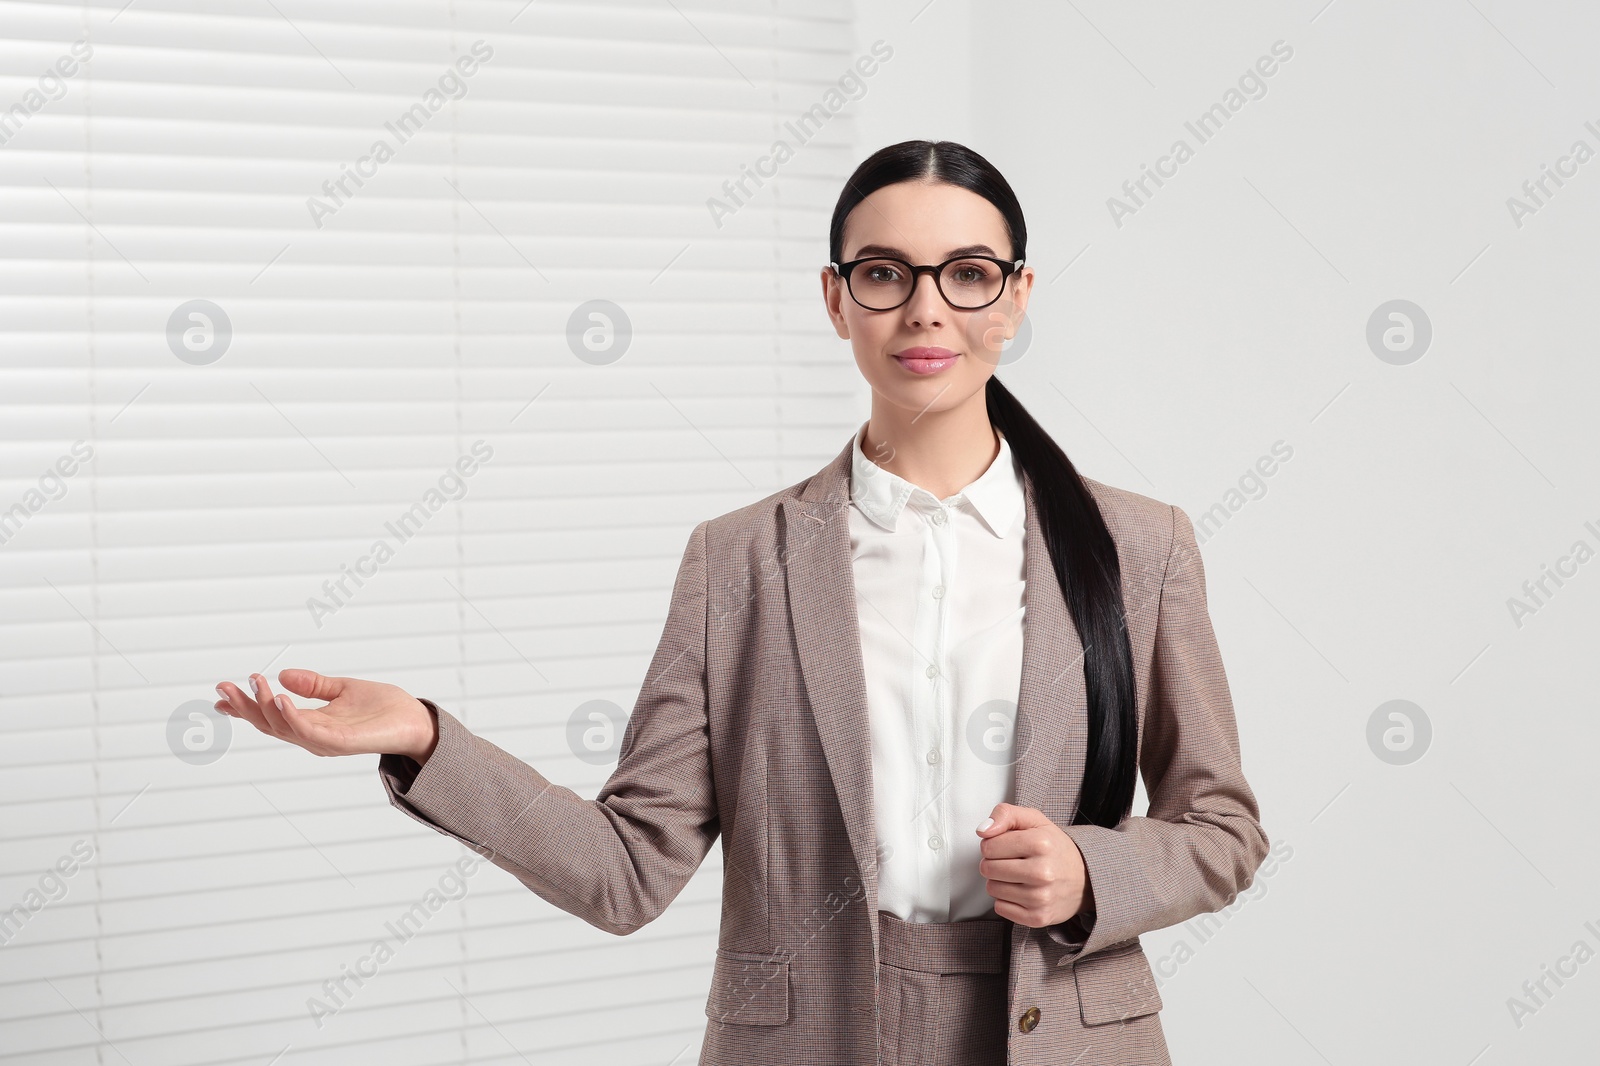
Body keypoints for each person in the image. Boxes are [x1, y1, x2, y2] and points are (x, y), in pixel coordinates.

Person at [214, 139, 1268, 1065]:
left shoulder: (1139, 546)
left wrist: (1095, 868)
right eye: (885, 273)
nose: (925, 307)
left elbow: (1221, 828)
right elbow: (627, 869)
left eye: (968, 273)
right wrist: (428, 739)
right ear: (835, 297)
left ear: (1018, 296)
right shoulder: (738, 564)